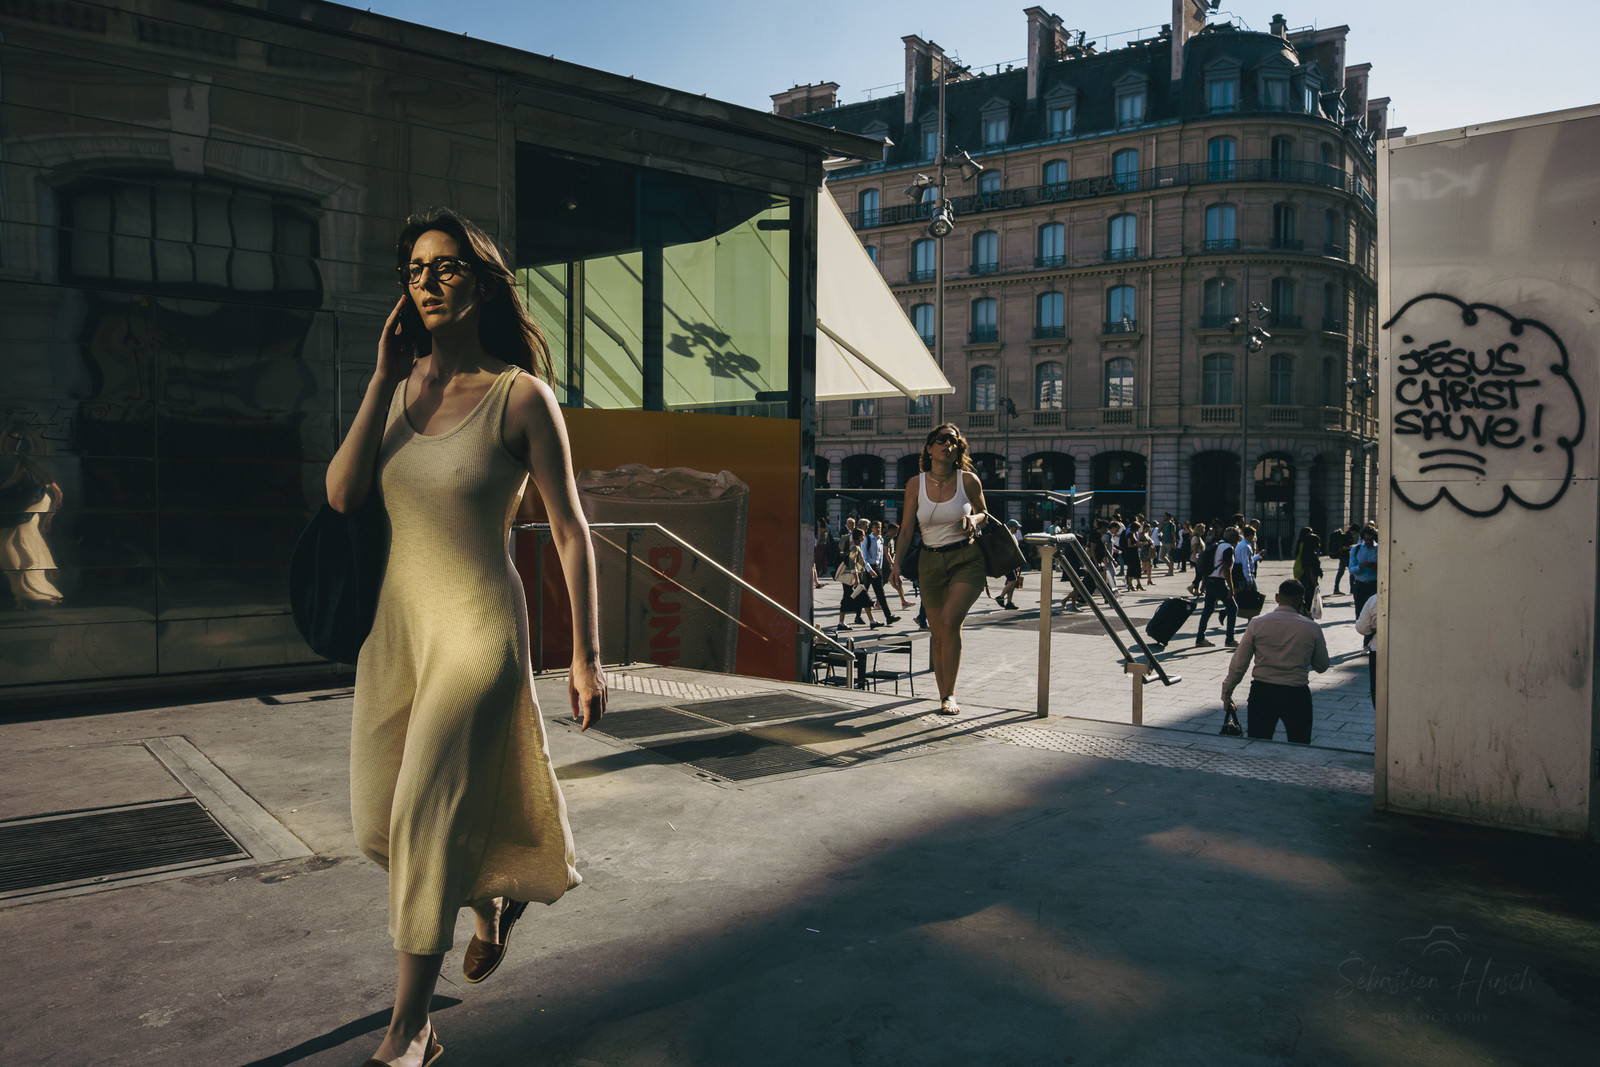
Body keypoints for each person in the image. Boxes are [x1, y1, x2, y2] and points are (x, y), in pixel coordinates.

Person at [325, 208, 606, 1067]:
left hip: (480, 629)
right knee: (379, 823)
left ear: (481, 283)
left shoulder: (521, 396)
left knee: (422, 814)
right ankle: (489, 899)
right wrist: (379, 381)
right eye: (415, 267)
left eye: (446, 266)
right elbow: (341, 496)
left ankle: (412, 1026)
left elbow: (569, 528)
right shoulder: (399, 390)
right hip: (396, 629)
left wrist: (587, 654)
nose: (428, 279)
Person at [890, 423, 994, 716]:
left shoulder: (968, 480)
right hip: (930, 562)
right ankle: (943, 695)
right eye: (942, 440)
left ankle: (951, 694)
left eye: (954, 442)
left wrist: (974, 520)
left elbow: (985, 514)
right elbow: (907, 529)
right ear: (929, 447)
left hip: (967, 559)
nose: (948, 445)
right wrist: (896, 565)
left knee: (950, 621)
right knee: (937, 632)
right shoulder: (915, 484)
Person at [1222, 579, 1331, 743]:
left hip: (1262, 692)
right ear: (1302, 601)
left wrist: (1227, 694)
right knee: (1299, 744)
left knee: (1258, 743)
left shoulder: (1257, 623)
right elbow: (1322, 666)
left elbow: (1239, 663)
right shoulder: (1311, 628)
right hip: (1297, 693)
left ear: (1277, 597)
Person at [1194, 527, 1239, 648]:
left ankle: (1200, 638)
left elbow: (1208, 563)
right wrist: (1231, 587)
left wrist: (1204, 584)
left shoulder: (1216, 544)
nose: (1238, 539)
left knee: (1207, 610)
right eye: (1237, 536)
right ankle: (1230, 639)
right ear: (1231, 536)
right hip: (1218, 582)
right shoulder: (1228, 548)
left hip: (1209, 580)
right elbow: (1226, 568)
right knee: (1233, 608)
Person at [835, 527, 879, 631]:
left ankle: (872, 621)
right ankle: (841, 623)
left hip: (854, 579)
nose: (865, 536)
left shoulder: (856, 547)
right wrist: (857, 579)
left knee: (864, 599)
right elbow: (852, 563)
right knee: (850, 599)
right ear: (859, 537)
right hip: (853, 580)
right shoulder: (855, 548)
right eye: (863, 535)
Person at [860, 519, 900, 623]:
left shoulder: (881, 539)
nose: (878, 530)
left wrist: (879, 568)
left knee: (881, 595)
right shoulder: (867, 540)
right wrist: (869, 570)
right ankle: (857, 616)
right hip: (868, 570)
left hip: (877, 569)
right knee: (863, 593)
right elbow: (864, 557)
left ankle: (888, 617)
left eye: (880, 528)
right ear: (872, 529)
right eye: (876, 528)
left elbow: (881, 555)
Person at [1292, 527, 1323, 617]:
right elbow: (1310, 570)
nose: (1320, 544)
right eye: (1318, 542)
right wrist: (1315, 584)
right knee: (1308, 601)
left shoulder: (1306, 550)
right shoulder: (1311, 555)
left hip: (1301, 574)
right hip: (1308, 581)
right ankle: (1306, 617)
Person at [884, 521, 915, 609]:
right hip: (887, 564)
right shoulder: (886, 538)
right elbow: (886, 553)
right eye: (896, 531)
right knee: (897, 582)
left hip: (889, 564)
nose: (896, 533)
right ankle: (903, 601)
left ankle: (879, 602)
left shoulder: (891, 539)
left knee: (887, 583)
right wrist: (893, 564)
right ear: (890, 530)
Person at [1349, 525, 1379, 617]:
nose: (1368, 542)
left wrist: (1376, 567)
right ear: (1362, 538)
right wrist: (1360, 567)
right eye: (1366, 539)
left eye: (1371, 539)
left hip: (1374, 584)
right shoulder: (1356, 549)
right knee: (1360, 614)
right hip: (1360, 585)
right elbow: (1351, 569)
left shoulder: (1379, 549)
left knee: (1374, 614)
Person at [996, 518, 1024, 608]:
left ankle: (1009, 602)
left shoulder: (1013, 536)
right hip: (1008, 562)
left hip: (1012, 562)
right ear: (1011, 527)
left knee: (1011, 582)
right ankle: (1001, 597)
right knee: (1013, 580)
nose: (1017, 530)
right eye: (1016, 528)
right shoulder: (1006, 536)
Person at [1328, 522, 1356, 595]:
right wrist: (1352, 547)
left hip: (1346, 556)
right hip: (1344, 556)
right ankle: (1337, 589)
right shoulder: (1346, 536)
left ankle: (1351, 589)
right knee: (1341, 572)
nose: (1355, 534)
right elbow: (1344, 547)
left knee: (1350, 572)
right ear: (1353, 530)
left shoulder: (1346, 535)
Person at [811, 519, 831, 588]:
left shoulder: (820, 528)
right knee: (823, 559)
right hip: (825, 544)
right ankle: (823, 572)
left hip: (821, 544)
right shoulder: (826, 528)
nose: (817, 522)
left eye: (818, 521)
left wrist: (817, 544)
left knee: (817, 559)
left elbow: (819, 537)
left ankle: (818, 576)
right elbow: (827, 537)